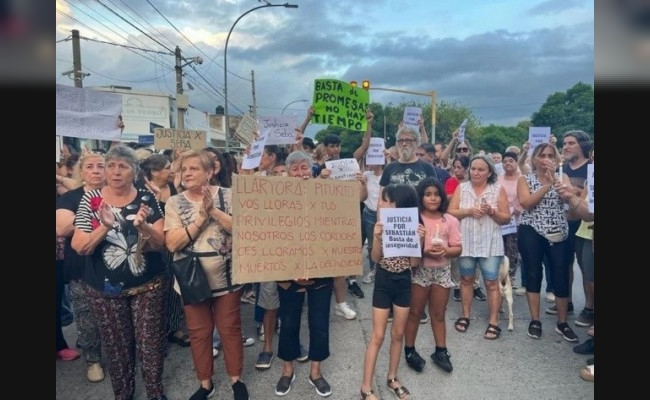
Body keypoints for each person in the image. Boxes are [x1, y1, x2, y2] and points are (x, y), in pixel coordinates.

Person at [71, 145, 169, 400]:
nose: (115, 172)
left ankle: (155, 392)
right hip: (104, 291)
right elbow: (80, 246)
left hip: (147, 286)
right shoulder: (91, 200)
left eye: (122, 166)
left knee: (149, 345)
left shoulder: (146, 197)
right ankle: (123, 394)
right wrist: (105, 227)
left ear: (134, 171)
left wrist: (144, 226)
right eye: (110, 166)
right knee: (117, 348)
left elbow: (161, 244)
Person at [164, 150, 249, 400]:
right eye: (183, 169)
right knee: (199, 333)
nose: (187, 173)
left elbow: (243, 229)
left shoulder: (230, 196)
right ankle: (205, 384)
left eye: (193, 169)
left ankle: (237, 380)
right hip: (192, 281)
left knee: (230, 329)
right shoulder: (175, 202)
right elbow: (172, 243)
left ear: (210, 172)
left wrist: (214, 212)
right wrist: (200, 218)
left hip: (228, 277)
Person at [274, 150, 335, 398]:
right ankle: (287, 369)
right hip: (288, 274)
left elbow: (337, 227)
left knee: (320, 322)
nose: (300, 173)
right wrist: (291, 269)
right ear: (287, 173)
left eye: (304, 168)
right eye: (294, 169)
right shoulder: (275, 199)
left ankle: (316, 371)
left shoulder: (327, 194)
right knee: (288, 321)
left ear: (312, 170)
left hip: (321, 273)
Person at [359, 184, 425, 400]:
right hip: (384, 281)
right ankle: (366, 387)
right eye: (382, 200)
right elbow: (376, 259)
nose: (382, 204)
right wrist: (377, 238)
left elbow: (414, 263)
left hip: (404, 282)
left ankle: (392, 377)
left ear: (401, 204)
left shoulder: (414, 225)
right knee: (377, 336)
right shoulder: (380, 225)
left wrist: (419, 241)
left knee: (398, 333)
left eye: (387, 201)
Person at [517, 143, 578, 343]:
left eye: (551, 155)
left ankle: (562, 323)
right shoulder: (524, 179)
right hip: (531, 228)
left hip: (558, 229)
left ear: (556, 158)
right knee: (533, 273)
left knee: (560, 273)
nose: (546, 159)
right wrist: (546, 185)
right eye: (542, 155)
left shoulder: (564, 177)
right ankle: (535, 320)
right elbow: (526, 204)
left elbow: (569, 203)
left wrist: (560, 185)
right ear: (534, 159)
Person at [447, 154, 511, 340]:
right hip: (466, 242)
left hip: (490, 243)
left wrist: (491, 211)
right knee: (466, 279)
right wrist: (468, 211)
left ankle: (493, 321)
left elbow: (506, 218)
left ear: (489, 171)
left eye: (480, 169)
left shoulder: (497, 189)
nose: (476, 172)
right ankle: (465, 315)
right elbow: (451, 212)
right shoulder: (462, 188)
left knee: (491, 283)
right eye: (473, 168)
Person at [56, 151, 107, 382]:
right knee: (87, 317)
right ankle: (93, 360)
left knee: (113, 315)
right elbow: (62, 228)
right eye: (90, 166)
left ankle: (120, 354)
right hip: (81, 266)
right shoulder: (71, 197)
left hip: (113, 265)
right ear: (81, 171)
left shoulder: (118, 194)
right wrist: (93, 211)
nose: (96, 170)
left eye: (100, 166)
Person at [403, 177, 462, 374]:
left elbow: (458, 249)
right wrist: (424, 251)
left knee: (438, 313)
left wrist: (445, 250)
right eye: (428, 194)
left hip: (442, 271)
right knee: (415, 313)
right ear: (421, 197)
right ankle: (410, 349)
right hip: (420, 271)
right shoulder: (414, 218)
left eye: (436, 194)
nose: (433, 198)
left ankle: (441, 350)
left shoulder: (450, 220)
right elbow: (407, 247)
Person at [137, 153, 190, 348]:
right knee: (157, 290)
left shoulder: (173, 186)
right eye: (167, 167)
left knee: (174, 287)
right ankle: (157, 332)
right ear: (154, 172)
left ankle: (174, 327)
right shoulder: (141, 191)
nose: (171, 170)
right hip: (153, 247)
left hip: (173, 243)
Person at [497, 151, 523, 288]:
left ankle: (511, 276)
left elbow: (524, 196)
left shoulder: (522, 178)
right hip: (501, 217)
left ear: (516, 162)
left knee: (513, 249)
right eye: (505, 161)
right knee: (500, 247)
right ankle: (501, 275)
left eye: (511, 161)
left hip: (516, 218)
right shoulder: (498, 178)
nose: (508, 163)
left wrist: (517, 208)